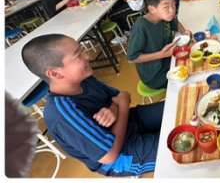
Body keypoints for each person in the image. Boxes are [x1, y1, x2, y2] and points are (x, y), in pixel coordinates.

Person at [22, 34, 163, 176]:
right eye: (78, 55)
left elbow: (122, 96)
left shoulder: (84, 80)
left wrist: (115, 108)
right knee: (175, 144)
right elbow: (109, 155)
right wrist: (122, 105)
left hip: (130, 121)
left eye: (82, 50)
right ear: (55, 74)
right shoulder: (61, 112)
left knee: (173, 112)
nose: (88, 56)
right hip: (122, 156)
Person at [127, 0, 189, 89]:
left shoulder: (165, 16)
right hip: (155, 75)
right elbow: (132, 58)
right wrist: (161, 54)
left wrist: (185, 33)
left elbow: (176, 22)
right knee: (189, 77)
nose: (172, 10)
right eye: (166, 7)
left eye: (174, 4)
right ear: (152, 9)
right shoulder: (141, 26)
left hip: (169, 59)